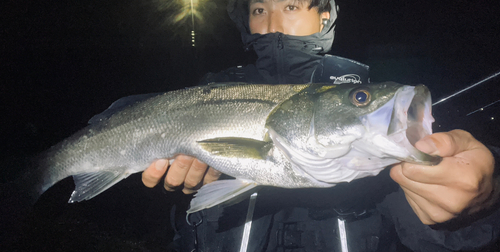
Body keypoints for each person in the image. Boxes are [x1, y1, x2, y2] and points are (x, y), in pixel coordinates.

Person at [142, 0, 500, 251]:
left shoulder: (367, 94)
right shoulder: (210, 91)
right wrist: (178, 189)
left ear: (324, 14)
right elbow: (177, 212)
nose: (273, 23)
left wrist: (481, 203)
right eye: (258, 9)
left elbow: (427, 231)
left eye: (292, 6)